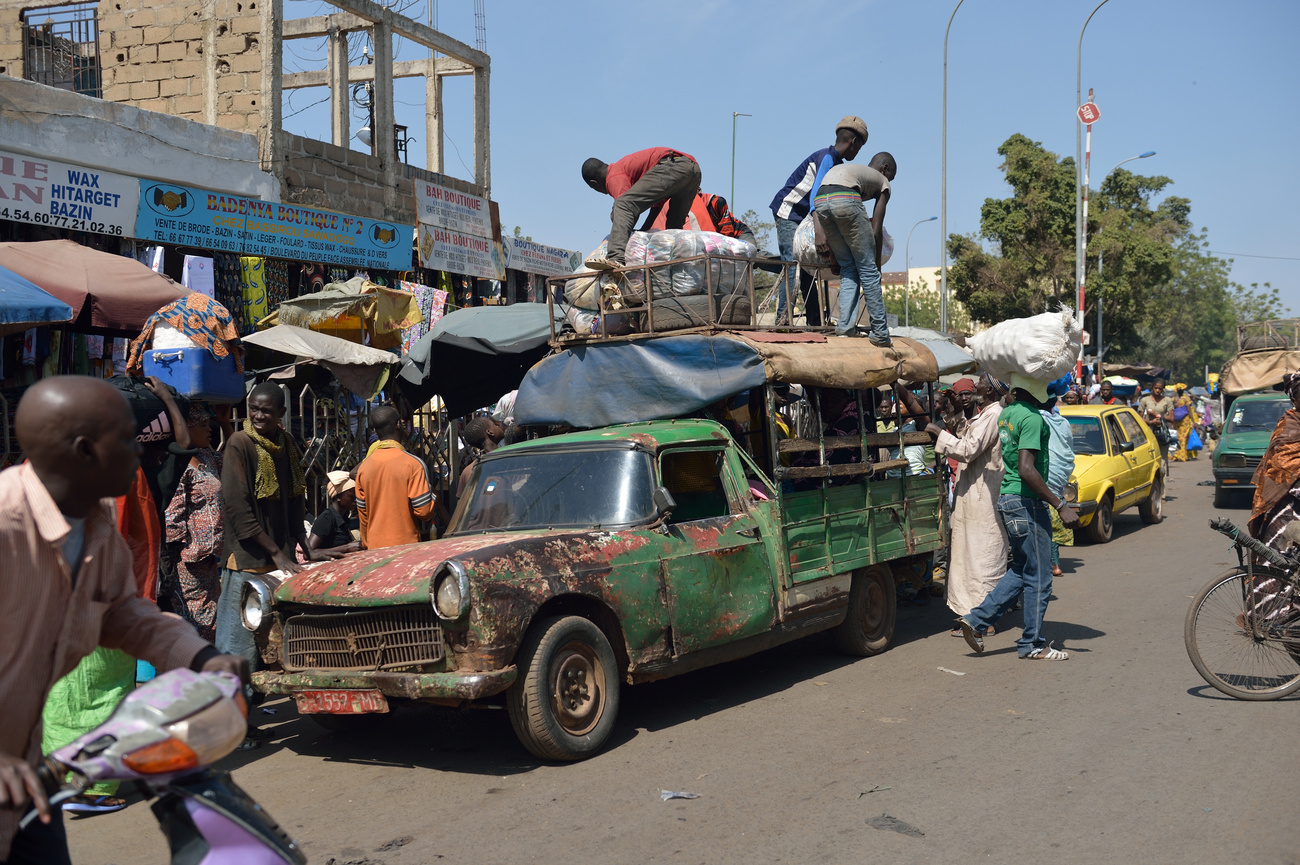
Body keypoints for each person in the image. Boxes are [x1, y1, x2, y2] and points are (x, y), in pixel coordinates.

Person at [0, 377, 246, 865]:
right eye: (126, 438)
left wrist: (202, 657)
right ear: (85, 450)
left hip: (26, 785)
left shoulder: (94, 527)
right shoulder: (6, 526)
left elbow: (124, 613)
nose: (140, 450)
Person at [958, 375, 1080, 661]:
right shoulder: (1032, 418)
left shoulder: (1009, 413)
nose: (1054, 398)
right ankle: (1033, 644)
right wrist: (1060, 504)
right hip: (1028, 501)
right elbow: (1027, 468)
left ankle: (976, 620)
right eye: (1051, 392)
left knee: (1021, 569)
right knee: (1040, 576)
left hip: (1009, 498)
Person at [217, 383, 315, 682]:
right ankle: (231, 718)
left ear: (281, 413)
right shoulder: (240, 443)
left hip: (277, 559)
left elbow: (297, 496)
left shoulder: (286, 443)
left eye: (266, 411)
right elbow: (237, 508)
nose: (259, 416)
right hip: (249, 558)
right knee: (238, 645)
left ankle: (244, 714)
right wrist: (275, 551)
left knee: (268, 641)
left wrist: (302, 544)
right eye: (254, 409)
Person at [928, 373, 1009, 634]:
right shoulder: (985, 414)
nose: (978, 385)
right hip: (972, 494)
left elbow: (968, 449)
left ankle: (984, 619)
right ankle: (969, 615)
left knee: (984, 559)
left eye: (982, 383)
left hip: (984, 496)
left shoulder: (995, 415)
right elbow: (967, 436)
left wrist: (939, 434)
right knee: (967, 558)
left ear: (990, 391)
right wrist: (954, 415)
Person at [770, 117, 868, 326]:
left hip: (804, 218)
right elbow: (816, 194)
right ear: (853, 142)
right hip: (789, 213)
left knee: (808, 270)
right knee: (793, 266)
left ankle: (814, 321)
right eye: (859, 146)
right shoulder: (827, 157)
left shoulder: (838, 165)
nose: (858, 151)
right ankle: (783, 319)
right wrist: (820, 232)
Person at [811, 152, 897, 344]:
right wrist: (876, 267)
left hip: (820, 201)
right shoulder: (883, 182)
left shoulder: (856, 171)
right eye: (891, 176)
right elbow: (876, 228)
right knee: (867, 270)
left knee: (848, 268)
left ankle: (845, 327)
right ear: (885, 169)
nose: (890, 180)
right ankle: (881, 333)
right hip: (844, 197)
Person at [162, 403, 229, 642]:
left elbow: (234, 459)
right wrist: (178, 557)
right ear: (186, 429)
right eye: (203, 425)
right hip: (188, 561)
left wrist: (225, 423)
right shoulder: (179, 465)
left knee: (213, 618)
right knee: (194, 619)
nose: (209, 430)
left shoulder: (207, 457)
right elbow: (173, 514)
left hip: (209, 558)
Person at [582, 148, 701, 269]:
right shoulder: (629, 171)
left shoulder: (613, 175)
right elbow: (656, 208)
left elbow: (625, 208)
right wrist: (643, 232)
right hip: (692, 170)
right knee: (673, 227)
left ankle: (616, 258)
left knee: (622, 206)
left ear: (594, 184)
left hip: (672, 167)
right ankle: (679, 266)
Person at [355, 406, 436, 549]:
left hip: (374, 548)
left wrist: (368, 545)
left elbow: (363, 516)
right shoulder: (413, 464)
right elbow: (424, 511)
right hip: (405, 547)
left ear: (374, 430)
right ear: (398, 424)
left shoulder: (363, 468)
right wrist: (433, 498)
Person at [1041, 378, 1077, 578]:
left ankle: (1052, 565)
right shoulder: (1061, 420)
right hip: (1058, 480)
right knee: (1052, 525)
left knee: (1047, 526)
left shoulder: (1039, 419)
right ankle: (1055, 565)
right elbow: (1067, 451)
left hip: (1046, 479)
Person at [309, 470, 362, 558]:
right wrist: (346, 548)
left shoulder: (343, 517)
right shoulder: (327, 518)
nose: (355, 500)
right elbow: (309, 552)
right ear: (338, 497)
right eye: (352, 496)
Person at [455, 414, 506, 498]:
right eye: (494, 425)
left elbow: (461, 505)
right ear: (490, 432)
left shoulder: (468, 471)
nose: (498, 426)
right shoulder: (507, 462)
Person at [1170, 383, 1201, 461]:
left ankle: (1176, 455)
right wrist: (1193, 421)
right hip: (1184, 420)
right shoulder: (1186, 398)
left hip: (1176, 420)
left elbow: (1171, 409)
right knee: (1184, 438)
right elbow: (1189, 410)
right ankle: (1183, 456)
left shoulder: (1173, 399)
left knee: (1177, 437)